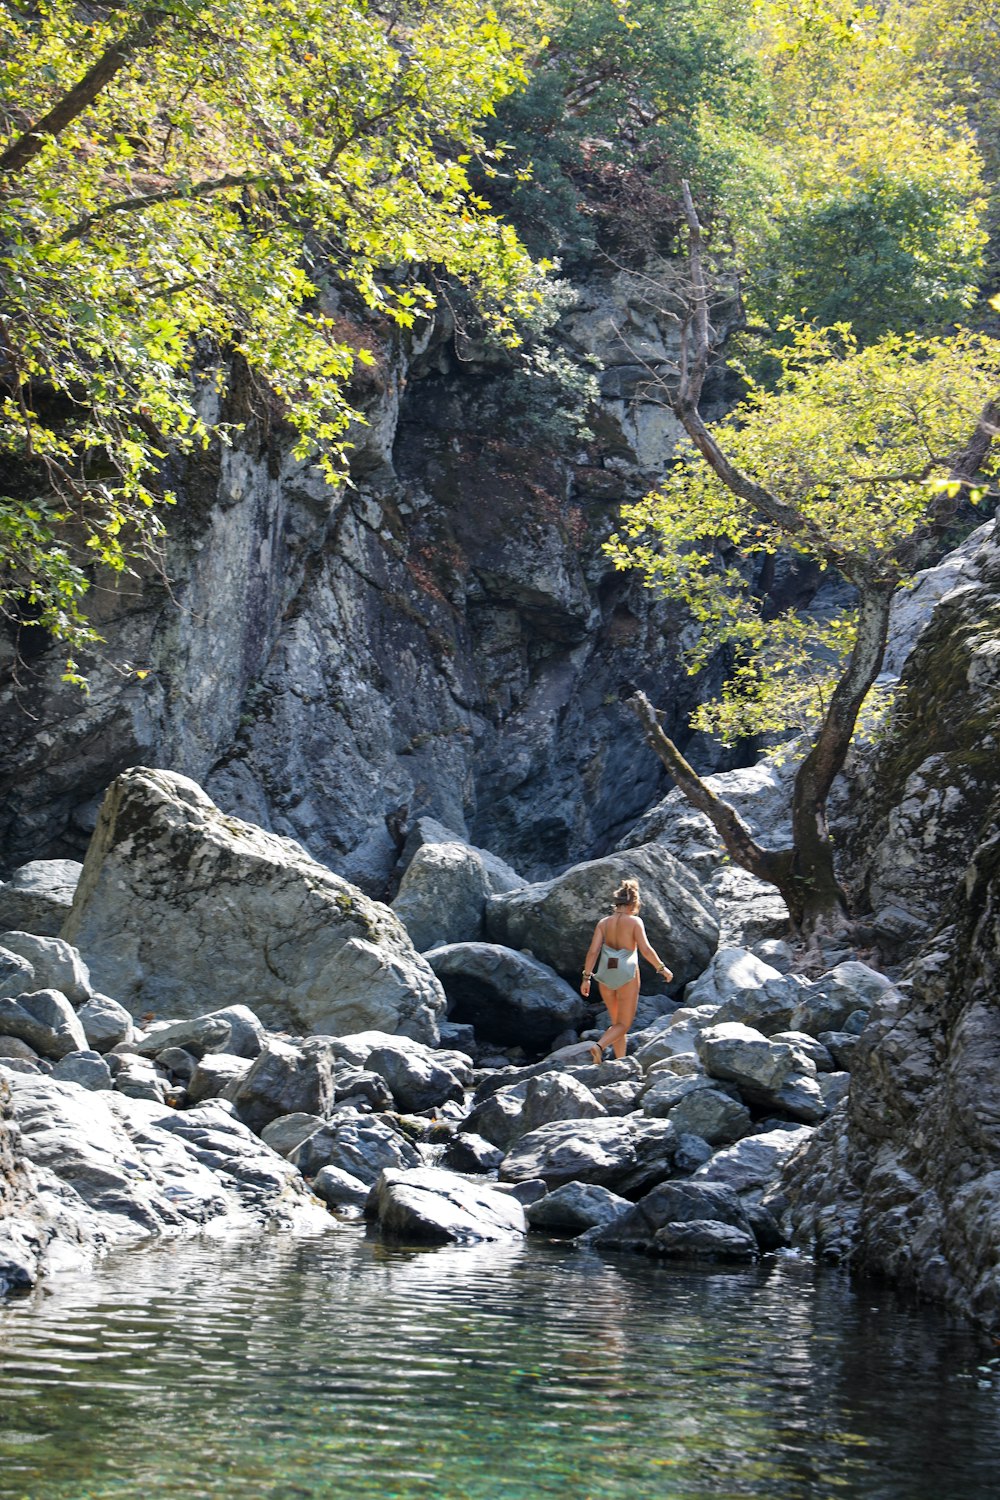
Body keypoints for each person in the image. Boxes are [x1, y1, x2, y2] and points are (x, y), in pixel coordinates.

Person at [579, 878, 673, 1063]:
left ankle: (620, 1063)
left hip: (604, 975)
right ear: (634, 903)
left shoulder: (603, 923)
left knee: (617, 1024)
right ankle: (598, 1046)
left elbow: (593, 951)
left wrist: (586, 977)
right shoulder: (635, 922)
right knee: (624, 1024)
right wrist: (662, 968)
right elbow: (645, 949)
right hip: (627, 975)